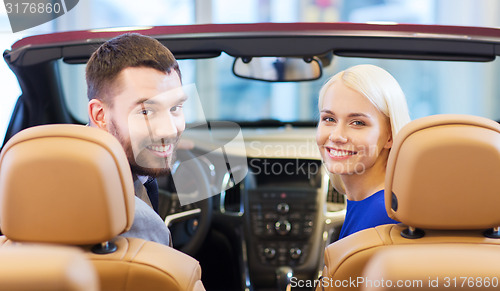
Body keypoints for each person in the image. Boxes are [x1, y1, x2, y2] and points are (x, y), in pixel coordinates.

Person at [86, 33, 186, 247]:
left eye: (175, 108)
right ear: (100, 115)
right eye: (146, 112)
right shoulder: (136, 221)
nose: (169, 130)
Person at [316, 64, 411, 239]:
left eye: (358, 123)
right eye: (329, 119)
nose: (337, 136)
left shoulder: (384, 217)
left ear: (390, 136)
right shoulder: (373, 204)